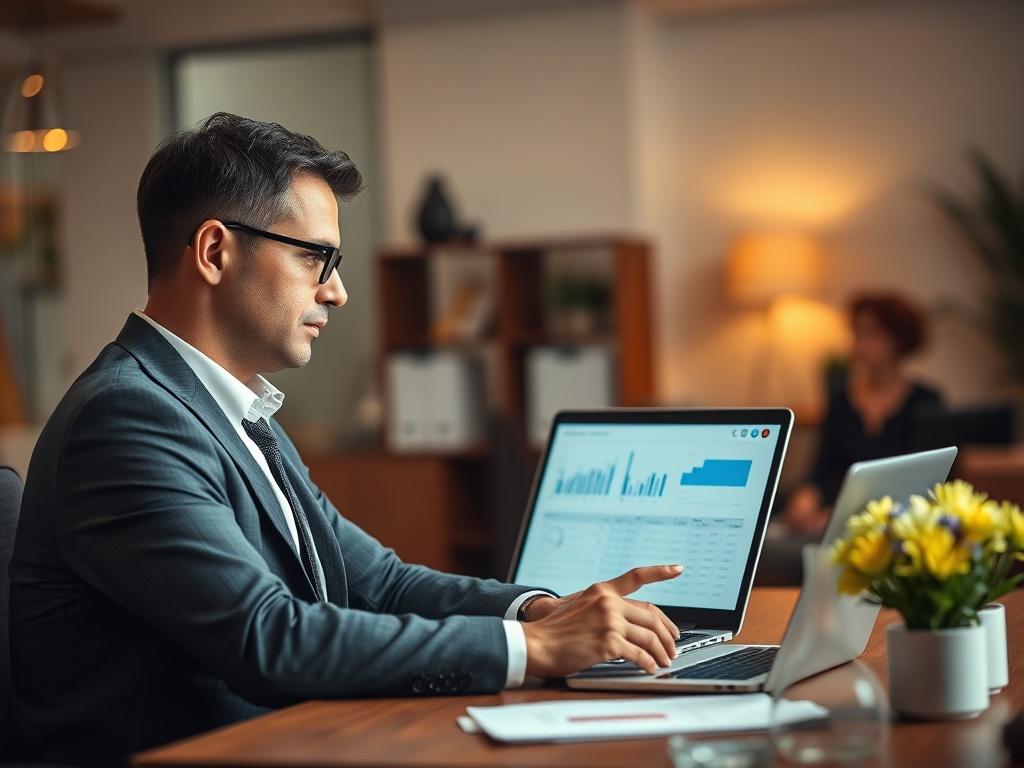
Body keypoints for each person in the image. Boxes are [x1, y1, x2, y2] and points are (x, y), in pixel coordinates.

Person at [9, 113, 684, 765]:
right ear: (215, 252)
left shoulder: (230, 408)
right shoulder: (126, 417)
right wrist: (531, 649)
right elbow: (267, 637)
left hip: (286, 742)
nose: (337, 292)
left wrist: (539, 610)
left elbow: (378, 583)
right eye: (315, 258)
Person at [783, 292, 943, 534]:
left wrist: (848, 515)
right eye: (857, 334)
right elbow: (821, 471)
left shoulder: (925, 402)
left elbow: (924, 481)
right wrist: (807, 496)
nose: (859, 345)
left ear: (897, 340)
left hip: (900, 526)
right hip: (832, 521)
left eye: (871, 335)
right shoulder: (841, 401)